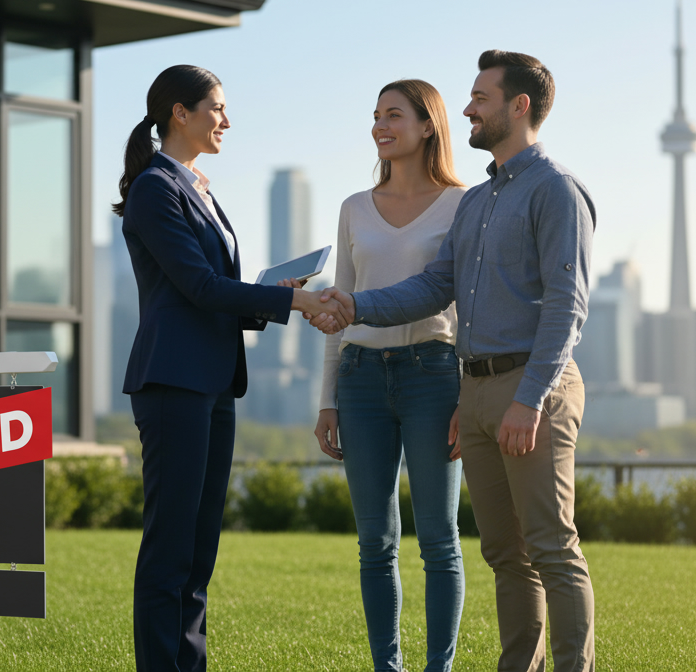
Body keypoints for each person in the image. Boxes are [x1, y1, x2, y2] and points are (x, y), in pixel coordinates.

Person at [311, 51, 598, 672]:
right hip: (473, 387)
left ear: (519, 107)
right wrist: (353, 304)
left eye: (481, 98)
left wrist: (529, 398)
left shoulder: (556, 190)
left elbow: (566, 306)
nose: (468, 107)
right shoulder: (479, 202)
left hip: (531, 386)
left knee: (551, 547)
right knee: (504, 552)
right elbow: (431, 287)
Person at [116, 64, 348, 672]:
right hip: (173, 383)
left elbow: (212, 291)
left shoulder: (197, 187)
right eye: (216, 107)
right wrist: (291, 300)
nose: (226, 119)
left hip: (213, 380)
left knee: (198, 551)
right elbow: (196, 285)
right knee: (170, 550)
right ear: (179, 113)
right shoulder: (155, 188)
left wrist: (272, 292)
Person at [294, 79, 469, 672]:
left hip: (433, 376)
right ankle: (385, 667)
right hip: (361, 380)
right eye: (375, 116)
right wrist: (328, 400)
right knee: (376, 543)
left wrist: (466, 399)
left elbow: (465, 309)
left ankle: (437, 667)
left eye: (394, 115)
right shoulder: (353, 207)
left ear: (428, 125)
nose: (380, 126)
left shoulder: (461, 204)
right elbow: (338, 308)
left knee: (440, 542)